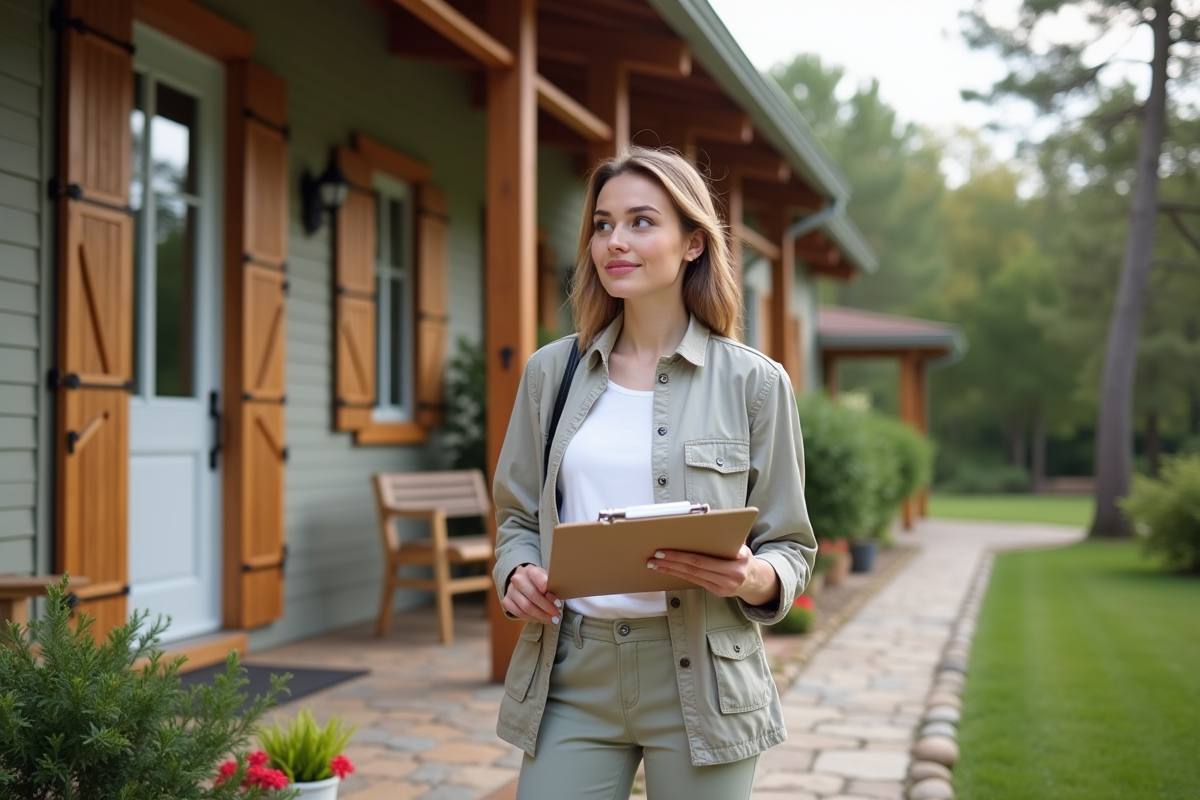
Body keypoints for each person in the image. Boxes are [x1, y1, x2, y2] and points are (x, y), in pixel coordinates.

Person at [492, 146, 816, 800]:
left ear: (693, 243)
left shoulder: (755, 383)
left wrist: (755, 576)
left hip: (702, 673)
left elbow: (792, 545)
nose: (615, 241)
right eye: (603, 224)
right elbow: (517, 518)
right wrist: (516, 572)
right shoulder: (550, 375)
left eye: (642, 221)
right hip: (572, 672)